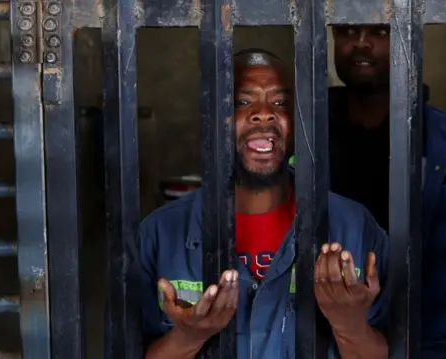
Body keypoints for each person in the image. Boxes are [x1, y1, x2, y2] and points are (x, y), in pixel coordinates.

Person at [139, 48, 390, 359]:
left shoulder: (353, 225)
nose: (263, 113)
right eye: (242, 102)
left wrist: (349, 326)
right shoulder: (159, 234)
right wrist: (187, 338)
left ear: (299, 122)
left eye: (280, 103)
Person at [328, 25, 446, 358]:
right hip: (318, 339)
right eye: (347, 30)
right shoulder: (304, 134)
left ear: (407, 39)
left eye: (381, 31)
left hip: (421, 343)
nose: (361, 42)